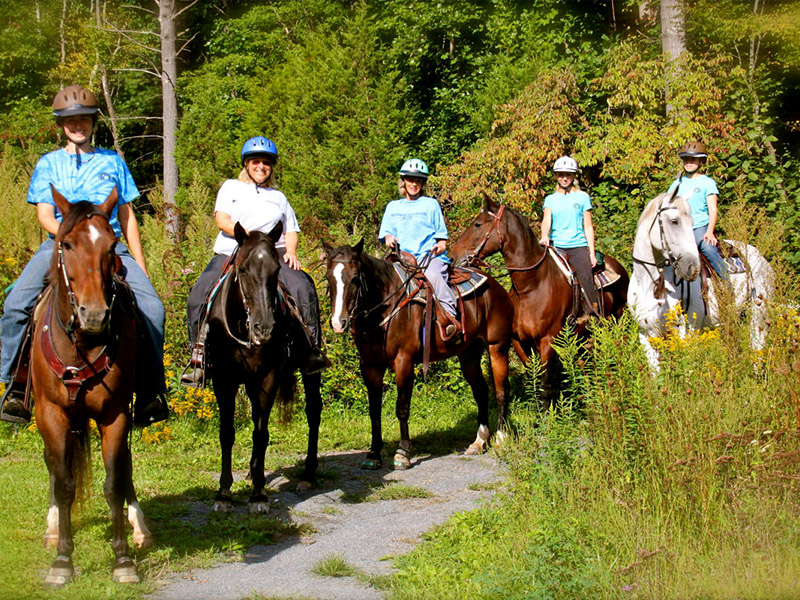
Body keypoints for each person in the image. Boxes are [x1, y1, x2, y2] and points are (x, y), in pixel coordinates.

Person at [0, 85, 168, 426]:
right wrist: (66, 237)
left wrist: (141, 263)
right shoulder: (49, 164)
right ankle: (16, 387)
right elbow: (45, 214)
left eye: (84, 120)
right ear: (62, 126)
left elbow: (126, 215)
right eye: (71, 121)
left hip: (109, 246)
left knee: (153, 308)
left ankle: (150, 392)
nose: (78, 126)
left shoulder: (112, 161)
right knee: (16, 305)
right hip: (62, 245)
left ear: (93, 123)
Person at [182, 136, 329, 386]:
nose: (261, 166)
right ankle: (199, 356)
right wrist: (248, 237)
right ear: (246, 164)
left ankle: (311, 350)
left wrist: (291, 251)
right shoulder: (231, 187)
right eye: (255, 161)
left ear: (271, 167)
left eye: (266, 163)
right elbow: (222, 219)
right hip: (234, 249)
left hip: (273, 253)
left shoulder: (279, 197)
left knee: (303, 287)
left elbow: (290, 229)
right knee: (199, 294)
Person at [378, 158, 459, 339]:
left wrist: (439, 246)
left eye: (418, 180)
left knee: (435, 276)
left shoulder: (431, 205)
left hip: (426, 257)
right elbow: (386, 234)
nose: (414, 184)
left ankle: (449, 317)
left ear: (422, 183)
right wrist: (389, 238)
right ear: (404, 181)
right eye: (410, 180)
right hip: (400, 259)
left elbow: (442, 239)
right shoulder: (393, 207)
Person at [540, 155, 600, 322]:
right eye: (561, 174)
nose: (564, 178)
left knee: (586, 277)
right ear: (556, 177)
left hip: (577, 245)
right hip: (556, 247)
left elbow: (588, 226)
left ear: (573, 176)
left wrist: (591, 253)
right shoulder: (550, 199)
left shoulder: (582, 197)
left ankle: (593, 314)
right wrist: (544, 235)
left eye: (568, 174)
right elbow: (546, 221)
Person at [667, 140, 727, 280]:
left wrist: (710, 232)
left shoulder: (707, 183)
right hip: (680, 228)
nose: (689, 162)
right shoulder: (677, 183)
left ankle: (727, 285)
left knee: (709, 249)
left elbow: (713, 209)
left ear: (701, 162)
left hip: (699, 227)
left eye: (693, 160)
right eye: (686, 159)